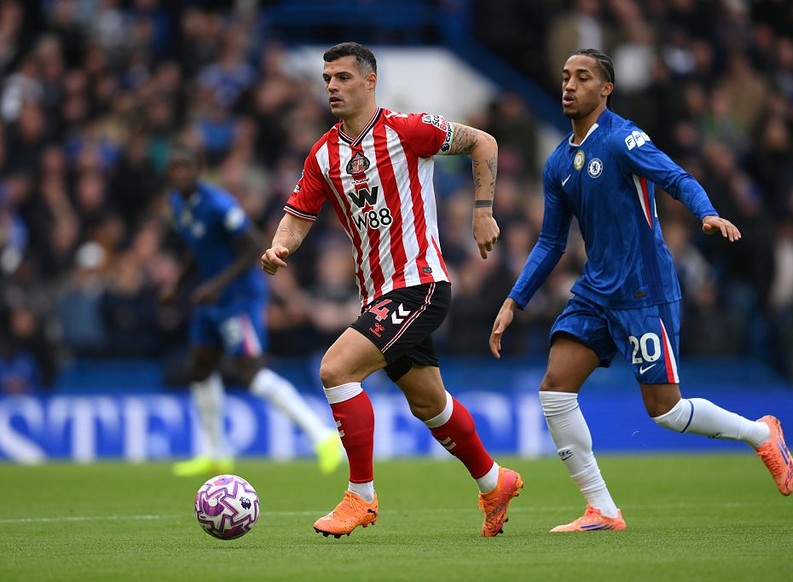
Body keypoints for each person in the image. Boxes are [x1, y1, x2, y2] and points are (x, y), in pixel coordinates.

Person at [489, 49, 793, 533]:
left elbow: (676, 176)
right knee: (554, 390)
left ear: (605, 89)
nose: (569, 85)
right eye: (566, 76)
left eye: (583, 77)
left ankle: (762, 433)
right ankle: (602, 509)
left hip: (643, 290)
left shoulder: (623, 138)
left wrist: (706, 212)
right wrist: (514, 300)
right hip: (596, 290)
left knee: (666, 412)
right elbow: (550, 241)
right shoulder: (558, 162)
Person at [261, 42, 523, 538]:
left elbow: (484, 142)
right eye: (327, 80)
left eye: (341, 77)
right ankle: (495, 481)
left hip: (419, 284)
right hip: (378, 295)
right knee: (429, 404)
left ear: (369, 80)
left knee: (335, 369)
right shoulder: (324, 155)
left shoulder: (408, 130)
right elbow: (297, 217)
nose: (332, 87)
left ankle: (360, 496)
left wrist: (483, 209)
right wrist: (280, 249)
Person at [162, 143, 343, 477]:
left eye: (186, 167)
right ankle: (216, 454)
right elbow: (197, 250)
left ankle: (324, 437)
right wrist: (178, 286)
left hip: (239, 298)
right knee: (199, 367)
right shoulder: (178, 203)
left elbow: (253, 245)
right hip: (210, 299)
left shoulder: (218, 204)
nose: (180, 174)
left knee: (251, 373)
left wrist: (214, 285)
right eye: (175, 168)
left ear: (199, 170)